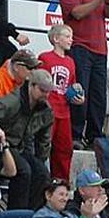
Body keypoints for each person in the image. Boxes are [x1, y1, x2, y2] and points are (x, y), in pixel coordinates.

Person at [60, 0, 109, 147]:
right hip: (80, 46)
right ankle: (76, 134)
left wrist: (107, 1)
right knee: (79, 92)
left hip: (100, 49)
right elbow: (77, 13)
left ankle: (95, 134)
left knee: (98, 95)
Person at [0, 69, 56, 210]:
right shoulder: (11, 102)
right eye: (42, 90)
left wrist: (40, 159)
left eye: (48, 91)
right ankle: (15, 215)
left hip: (18, 148)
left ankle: (32, 214)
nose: (46, 94)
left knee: (42, 172)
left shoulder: (45, 109)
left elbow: (44, 141)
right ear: (30, 85)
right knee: (23, 171)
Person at [39, 24, 82, 181]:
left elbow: (72, 86)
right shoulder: (45, 58)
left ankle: (61, 182)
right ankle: (42, 180)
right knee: (44, 146)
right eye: (67, 36)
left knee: (64, 149)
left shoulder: (71, 61)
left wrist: (78, 97)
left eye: (71, 36)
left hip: (64, 111)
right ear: (56, 39)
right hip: (48, 110)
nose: (71, 39)